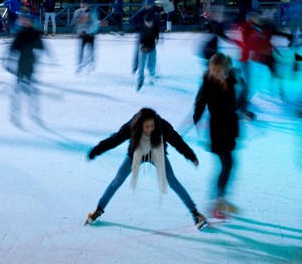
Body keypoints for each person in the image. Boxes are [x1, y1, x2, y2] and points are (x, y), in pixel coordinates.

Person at [85, 107, 207, 230]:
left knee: (173, 182)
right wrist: (96, 150)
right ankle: (99, 210)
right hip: (136, 155)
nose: (149, 129)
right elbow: (115, 139)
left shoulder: (162, 126)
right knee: (117, 180)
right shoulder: (131, 126)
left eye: (152, 126)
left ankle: (196, 214)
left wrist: (191, 156)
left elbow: (177, 141)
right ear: (140, 125)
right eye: (146, 127)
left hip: (157, 154)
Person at [193, 53, 242, 218]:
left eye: (215, 69)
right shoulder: (208, 83)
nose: (212, 72)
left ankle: (219, 200)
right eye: (211, 69)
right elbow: (199, 102)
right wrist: (197, 117)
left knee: (228, 165)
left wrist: (243, 110)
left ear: (223, 68)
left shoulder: (231, 79)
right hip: (218, 129)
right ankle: (217, 202)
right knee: (227, 164)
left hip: (230, 127)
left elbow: (237, 100)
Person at [8, 14, 45, 124]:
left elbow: (41, 47)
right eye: (23, 20)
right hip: (21, 63)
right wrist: (9, 61)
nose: (24, 22)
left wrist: (36, 57)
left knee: (29, 88)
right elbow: (13, 48)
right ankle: (15, 112)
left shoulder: (33, 33)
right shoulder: (21, 33)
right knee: (18, 88)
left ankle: (33, 112)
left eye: (26, 20)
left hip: (29, 63)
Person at [129, 0, 158, 73]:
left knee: (151, 52)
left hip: (150, 34)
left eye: (147, 5)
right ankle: (135, 67)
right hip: (142, 33)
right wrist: (139, 26)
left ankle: (150, 69)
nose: (146, 6)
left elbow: (156, 23)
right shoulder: (143, 12)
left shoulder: (153, 12)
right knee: (140, 51)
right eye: (146, 5)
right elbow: (132, 20)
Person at [71, 0, 99, 73]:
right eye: (81, 6)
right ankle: (80, 64)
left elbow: (95, 25)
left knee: (91, 50)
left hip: (90, 35)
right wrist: (78, 32)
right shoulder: (79, 13)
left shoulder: (92, 13)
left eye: (84, 6)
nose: (82, 7)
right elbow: (76, 23)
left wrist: (88, 31)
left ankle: (91, 63)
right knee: (81, 51)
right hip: (82, 35)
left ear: (88, 5)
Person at [136, 12, 160, 91]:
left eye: (150, 22)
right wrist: (142, 46)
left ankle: (151, 76)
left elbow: (157, 35)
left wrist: (157, 41)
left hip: (152, 47)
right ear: (144, 22)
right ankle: (140, 81)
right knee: (141, 65)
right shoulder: (142, 28)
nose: (148, 24)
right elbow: (140, 39)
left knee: (152, 63)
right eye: (147, 22)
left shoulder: (155, 27)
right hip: (143, 48)